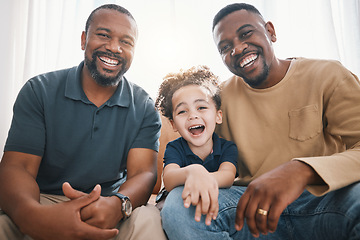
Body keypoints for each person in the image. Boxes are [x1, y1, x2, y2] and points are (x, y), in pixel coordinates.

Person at [161, 3, 360, 240]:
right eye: (225, 47)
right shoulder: (216, 101)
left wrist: (302, 170)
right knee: (179, 206)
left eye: (246, 34)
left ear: (270, 31)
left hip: (323, 203)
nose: (237, 48)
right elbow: (190, 154)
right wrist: (180, 183)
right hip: (250, 210)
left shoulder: (328, 75)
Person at [0, 4, 166, 240]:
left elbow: (143, 173)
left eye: (126, 42)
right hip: (43, 200)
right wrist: (34, 218)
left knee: (148, 220)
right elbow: (18, 168)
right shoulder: (39, 90)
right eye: (103, 35)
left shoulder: (145, 106)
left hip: (110, 204)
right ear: (83, 39)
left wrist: (117, 205)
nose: (114, 47)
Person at [155, 66, 238, 226]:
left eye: (201, 107)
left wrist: (203, 180)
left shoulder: (227, 147)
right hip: (178, 198)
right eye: (182, 111)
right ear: (173, 124)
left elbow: (227, 176)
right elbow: (170, 179)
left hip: (216, 197)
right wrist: (193, 172)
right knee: (168, 212)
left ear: (218, 116)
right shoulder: (175, 147)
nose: (193, 115)